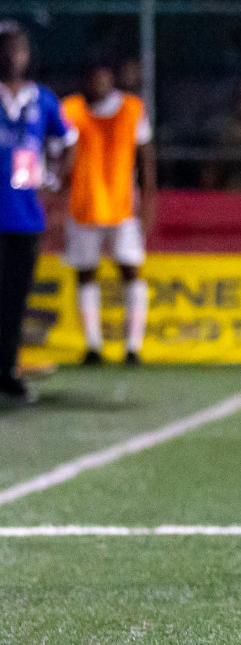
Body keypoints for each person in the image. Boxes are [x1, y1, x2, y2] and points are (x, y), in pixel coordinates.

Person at [61, 57, 156, 366]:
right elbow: (61, 156)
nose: (98, 84)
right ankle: (93, 345)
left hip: (122, 204)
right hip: (85, 204)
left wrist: (149, 202)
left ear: (111, 80)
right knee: (86, 271)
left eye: (103, 77)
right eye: (92, 78)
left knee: (130, 268)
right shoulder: (71, 110)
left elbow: (146, 158)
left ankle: (133, 346)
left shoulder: (131, 109)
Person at [0, 21, 75, 402]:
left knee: (14, 300)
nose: (14, 56)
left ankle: (7, 371)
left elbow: (68, 141)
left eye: (20, 49)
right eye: (7, 48)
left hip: (25, 218)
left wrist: (56, 180)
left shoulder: (41, 99)